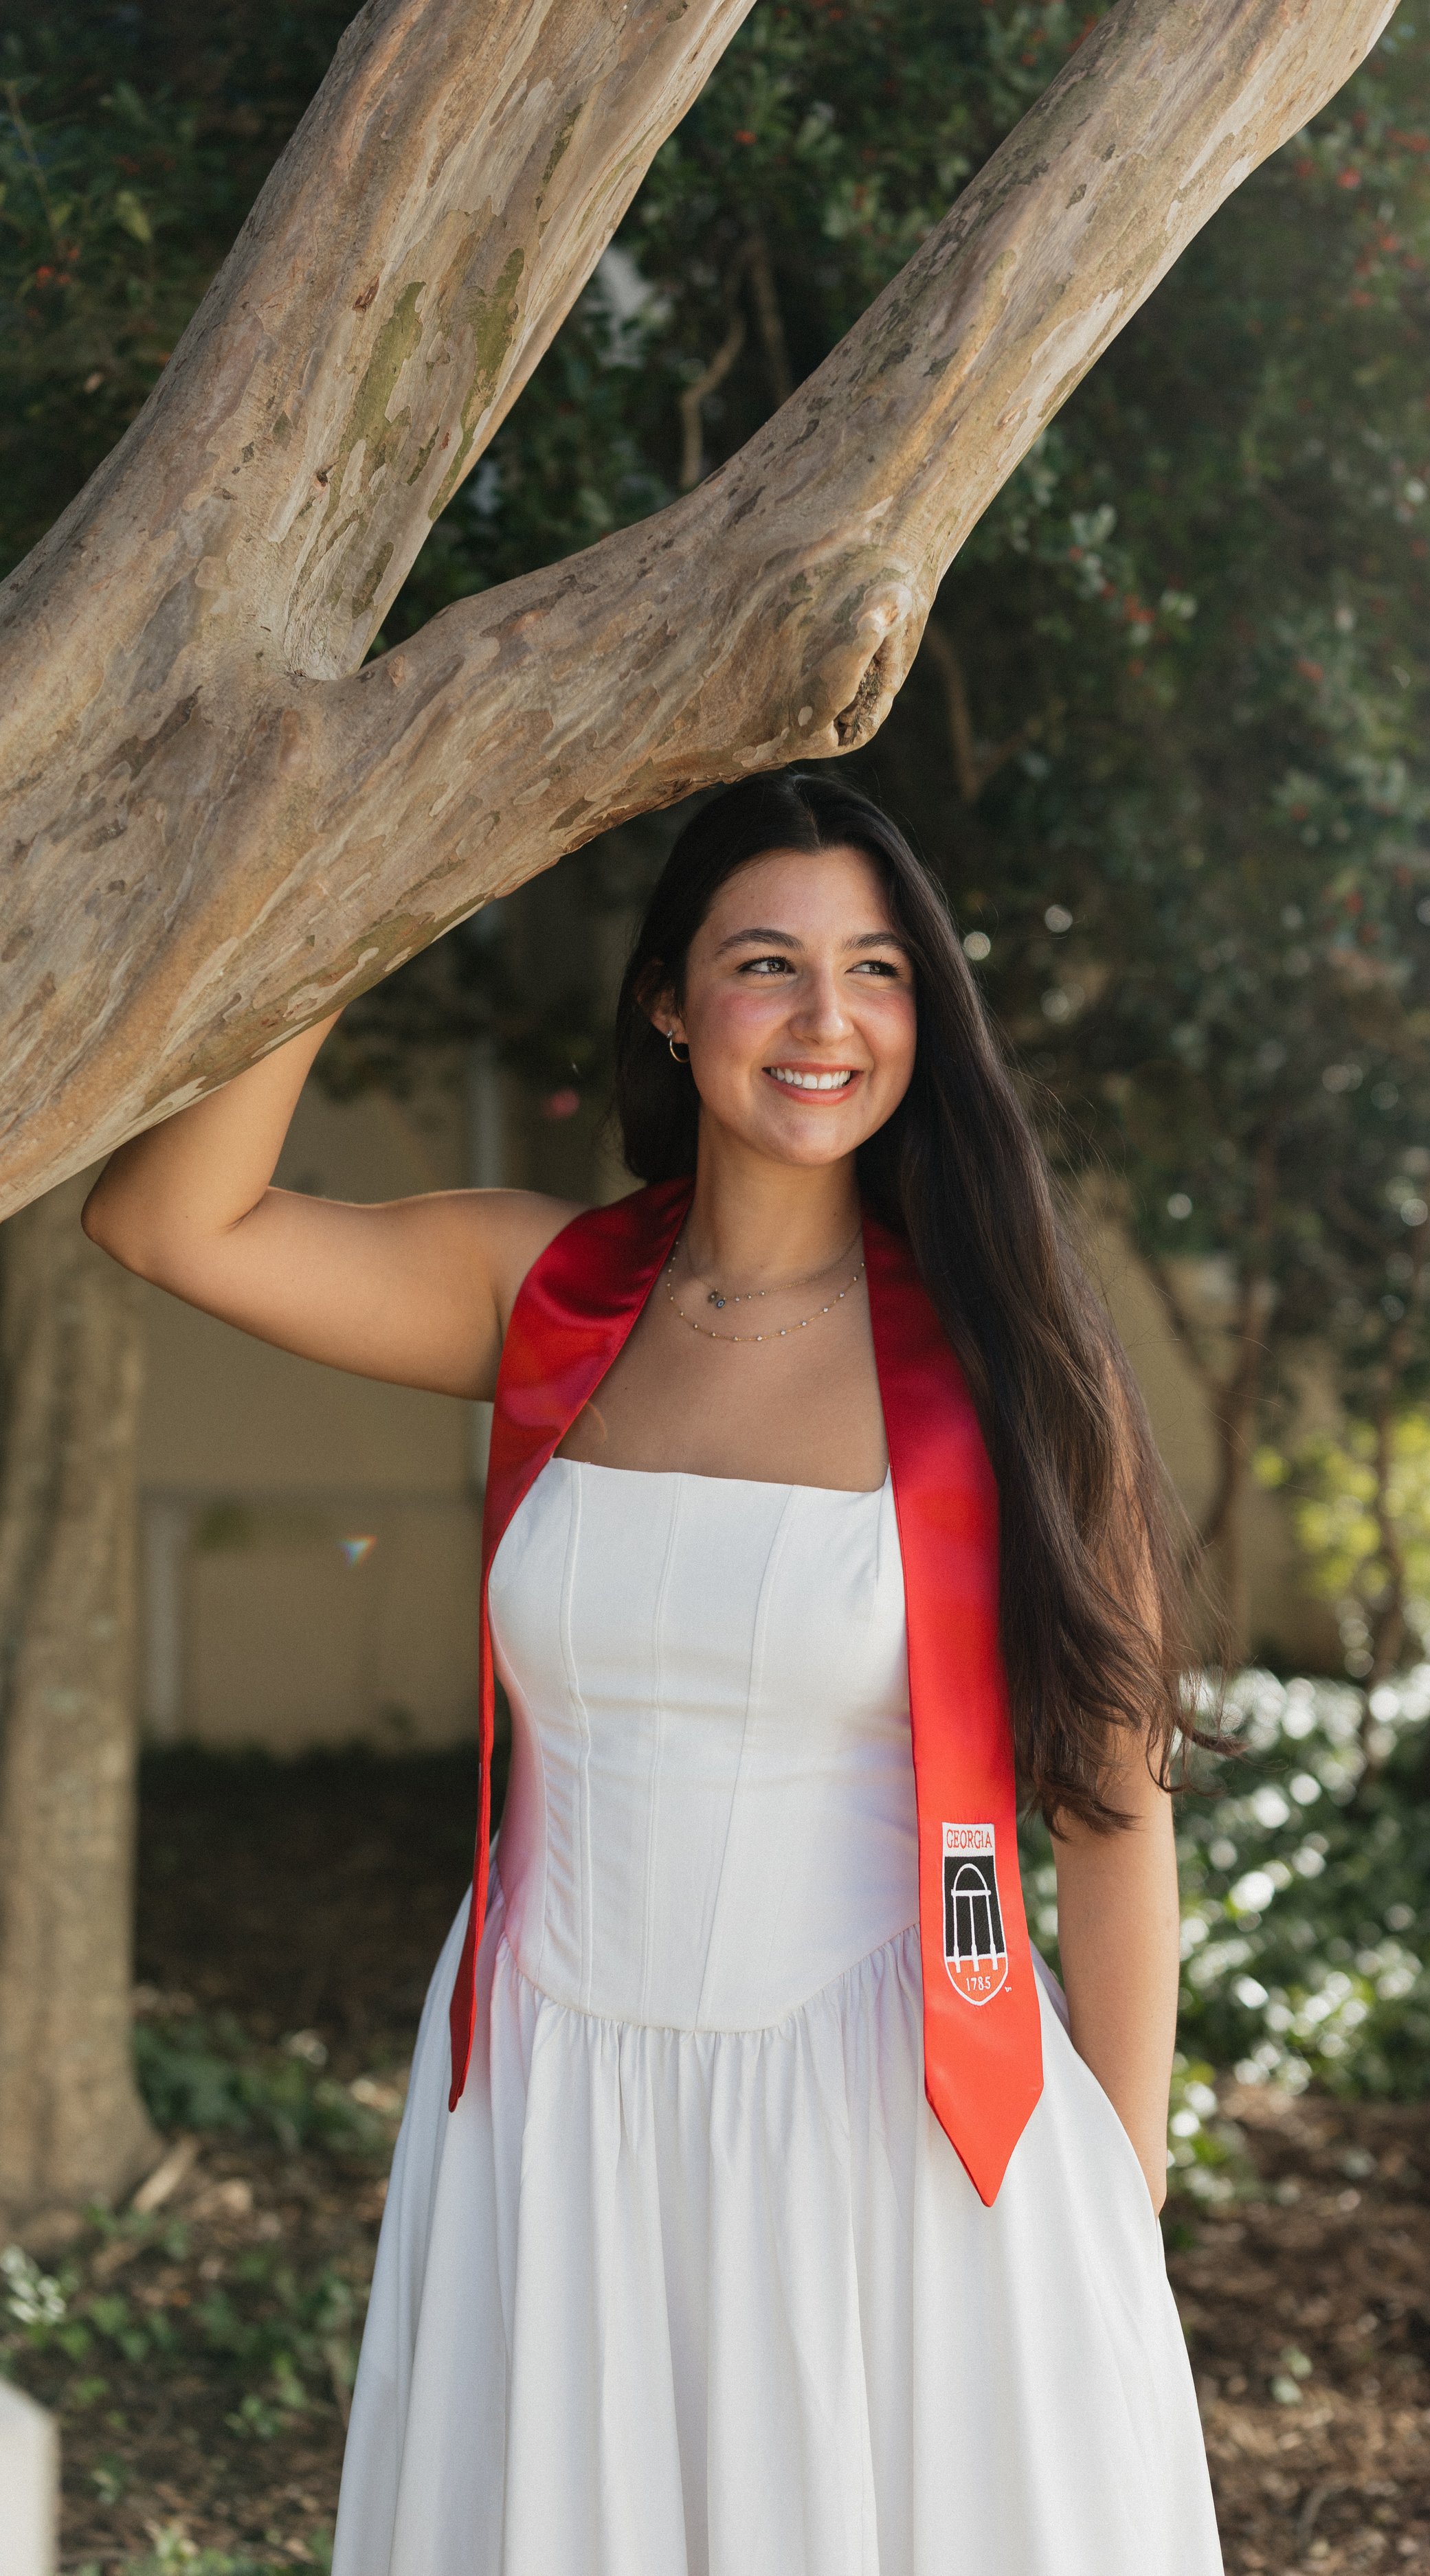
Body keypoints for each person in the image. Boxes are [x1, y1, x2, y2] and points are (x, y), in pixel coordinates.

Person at [84, 771, 1225, 2576]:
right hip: (547, 2086)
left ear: (925, 1014)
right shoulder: (538, 1291)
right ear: (670, 1003)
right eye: (764, 964)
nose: (824, 1019)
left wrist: (1120, 2198)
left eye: (876, 971)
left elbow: (1108, 1808)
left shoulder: (1011, 1365)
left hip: (887, 2100)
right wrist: (354, 879)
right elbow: (169, 1225)